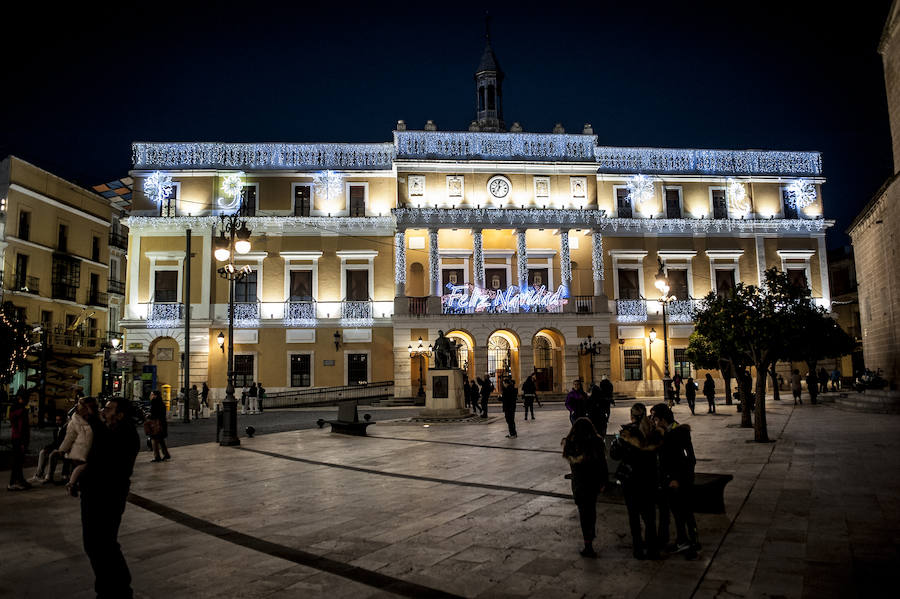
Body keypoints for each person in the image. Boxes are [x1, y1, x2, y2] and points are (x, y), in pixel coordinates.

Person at [80, 396, 140, 599]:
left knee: (102, 543)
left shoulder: (126, 433)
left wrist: (93, 419)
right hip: (95, 491)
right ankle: (109, 587)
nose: (104, 412)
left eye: (108, 409)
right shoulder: (111, 430)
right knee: (96, 543)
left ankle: (119, 589)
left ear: (120, 415)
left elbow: (109, 448)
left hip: (108, 494)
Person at [610, 403, 661, 560]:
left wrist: (616, 441)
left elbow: (614, 455)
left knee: (634, 516)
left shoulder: (627, 433)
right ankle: (652, 549)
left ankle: (638, 549)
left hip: (631, 480)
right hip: (649, 479)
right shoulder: (654, 432)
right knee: (650, 516)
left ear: (631, 415)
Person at [651, 403, 699, 560]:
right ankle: (683, 540)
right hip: (670, 480)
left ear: (662, 419)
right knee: (679, 512)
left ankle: (692, 543)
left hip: (679, 481)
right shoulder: (668, 432)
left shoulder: (678, 433)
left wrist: (676, 479)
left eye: (655, 418)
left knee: (684, 513)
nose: (653, 421)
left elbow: (687, 459)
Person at [562, 417, 608, 558]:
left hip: (579, 485)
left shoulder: (571, 445)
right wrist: (603, 482)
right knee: (591, 511)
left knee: (583, 513)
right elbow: (602, 464)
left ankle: (587, 543)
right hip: (592, 483)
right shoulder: (596, 443)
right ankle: (590, 536)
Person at [56, 396, 96, 497]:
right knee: (82, 467)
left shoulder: (96, 418)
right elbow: (69, 437)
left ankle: (73, 484)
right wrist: (63, 449)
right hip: (80, 450)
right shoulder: (75, 421)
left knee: (84, 469)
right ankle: (72, 484)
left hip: (92, 450)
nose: (78, 407)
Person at [30, 410, 67, 484]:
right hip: (57, 449)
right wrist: (47, 447)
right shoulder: (56, 430)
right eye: (56, 420)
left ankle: (49, 476)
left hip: (64, 450)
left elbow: (65, 443)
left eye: (59, 420)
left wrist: (58, 449)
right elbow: (55, 443)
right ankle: (39, 474)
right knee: (42, 452)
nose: (57, 422)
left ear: (63, 420)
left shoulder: (66, 430)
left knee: (52, 454)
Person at [7, 390, 32, 491]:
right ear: (21, 398)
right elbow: (21, 428)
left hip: (16, 438)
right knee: (17, 461)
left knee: (18, 461)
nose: (27, 401)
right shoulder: (21, 411)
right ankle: (13, 482)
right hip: (19, 439)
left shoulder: (15, 408)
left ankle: (20, 480)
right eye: (26, 399)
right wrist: (23, 442)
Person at [148, 389, 170, 462]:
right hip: (162, 423)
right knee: (160, 440)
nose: (150, 396)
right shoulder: (162, 403)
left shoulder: (154, 402)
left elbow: (154, 414)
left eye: (151, 394)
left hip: (156, 424)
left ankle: (157, 456)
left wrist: (149, 416)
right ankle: (166, 454)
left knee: (154, 440)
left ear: (155, 396)